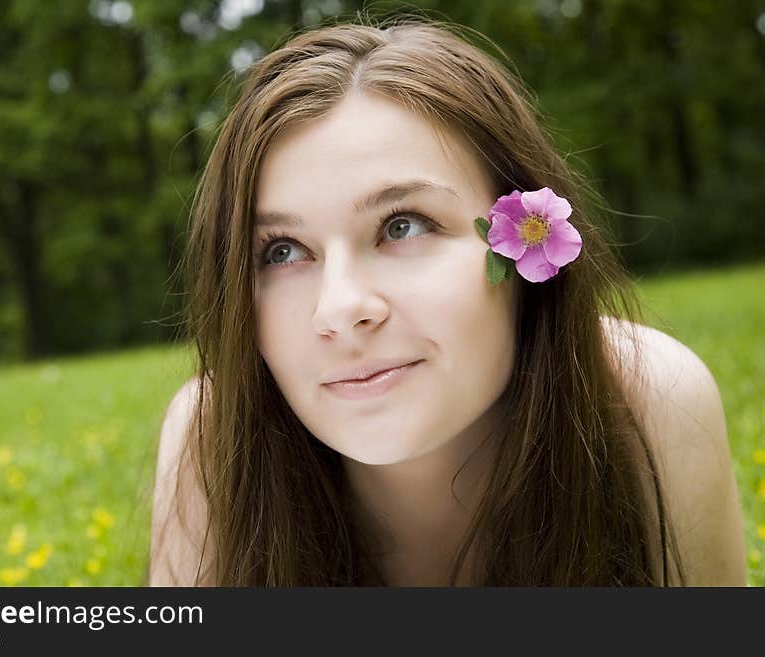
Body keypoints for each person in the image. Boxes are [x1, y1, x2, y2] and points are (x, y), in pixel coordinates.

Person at [147, 16, 747, 586]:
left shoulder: (649, 401)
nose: (340, 307)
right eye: (280, 251)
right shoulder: (214, 439)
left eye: (403, 225)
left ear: (525, 245)